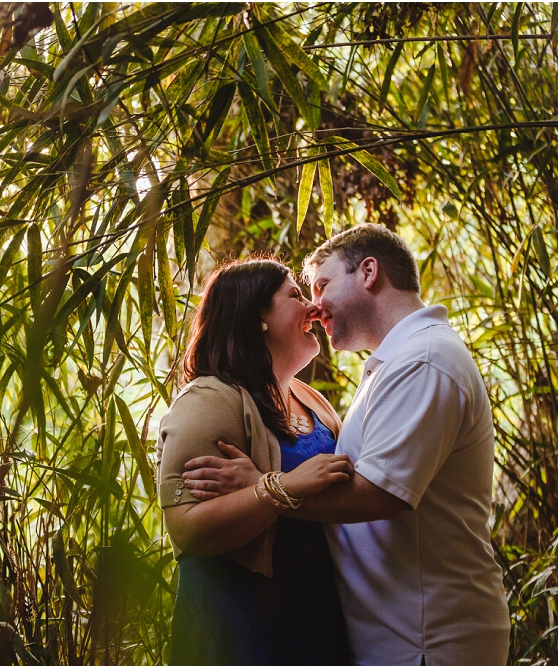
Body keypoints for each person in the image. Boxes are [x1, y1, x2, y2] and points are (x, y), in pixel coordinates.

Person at [181, 224, 511, 665]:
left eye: (321, 284)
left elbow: (378, 494)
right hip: (391, 632)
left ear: (368, 272)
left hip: (428, 637)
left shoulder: (424, 360)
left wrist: (265, 487)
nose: (314, 305)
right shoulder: (394, 364)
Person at [156, 257, 354, 665]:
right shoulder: (209, 401)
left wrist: (263, 482)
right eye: (296, 295)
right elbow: (186, 528)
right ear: (257, 316)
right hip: (239, 628)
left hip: (313, 617)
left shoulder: (311, 400)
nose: (313, 307)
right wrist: (282, 487)